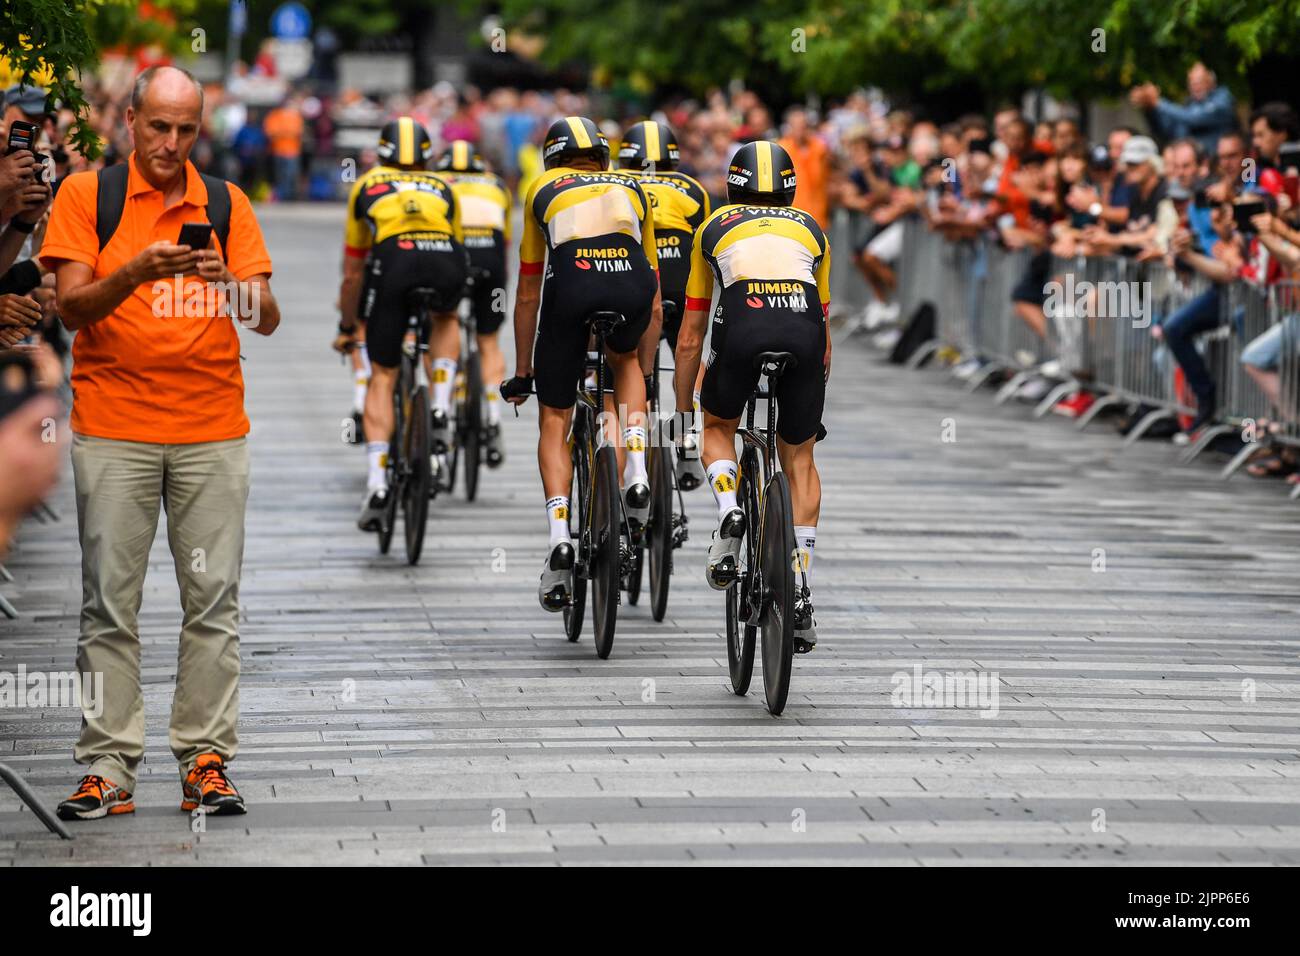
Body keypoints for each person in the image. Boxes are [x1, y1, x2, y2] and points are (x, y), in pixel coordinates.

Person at [39, 65, 279, 820]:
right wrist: (138, 268)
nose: (171, 143)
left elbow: (266, 316)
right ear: (131, 120)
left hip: (211, 431)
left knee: (214, 604)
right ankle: (107, 766)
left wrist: (227, 281)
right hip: (115, 430)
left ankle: (205, 759)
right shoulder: (89, 197)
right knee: (109, 605)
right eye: (157, 127)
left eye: (184, 130)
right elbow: (71, 308)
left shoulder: (226, 203)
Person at [673, 140, 831, 651]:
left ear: (731, 185)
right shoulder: (812, 229)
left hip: (742, 328)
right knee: (800, 457)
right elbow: (824, 338)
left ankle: (728, 513)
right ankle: (800, 586)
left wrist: (682, 414)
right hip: (804, 333)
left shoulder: (711, 229)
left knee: (717, 426)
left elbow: (692, 333)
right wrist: (811, 402)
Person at [499, 116, 661, 610]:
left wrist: (525, 370)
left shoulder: (541, 188)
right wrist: (649, 372)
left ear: (552, 157)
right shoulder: (633, 187)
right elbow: (653, 301)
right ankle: (636, 467)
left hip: (573, 280)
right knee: (625, 359)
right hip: (630, 279)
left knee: (555, 417)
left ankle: (559, 538)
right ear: (603, 157)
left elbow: (528, 290)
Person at [334, 117, 467, 530]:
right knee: (446, 317)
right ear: (426, 155)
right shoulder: (444, 186)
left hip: (393, 262)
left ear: (382, 152)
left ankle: (377, 481)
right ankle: (442, 403)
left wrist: (347, 323)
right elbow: (456, 241)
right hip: (444, 256)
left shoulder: (367, 184)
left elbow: (353, 271)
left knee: (384, 374)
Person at [616, 119, 711, 489]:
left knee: (633, 371)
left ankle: (633, 456)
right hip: (681, 280)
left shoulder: (618, 183)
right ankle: (688, 434)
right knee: (687, 350)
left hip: (639, 279)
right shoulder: (694, 188)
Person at [433, 140, 511, 466]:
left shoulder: (436, 184)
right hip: (492, 263)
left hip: (453, 259)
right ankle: (493, 415)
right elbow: (505, 239)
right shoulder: (496, 185)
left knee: (443, 321)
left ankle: (441, 406)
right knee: (489, 339)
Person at [1130, 62, 1237, 155]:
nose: (1196, 87)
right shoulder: (1189, 105)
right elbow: (1168, 131)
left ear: (1211, 81)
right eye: (1192, 83)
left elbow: (1194, 118)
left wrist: (1158, 103)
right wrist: (1150, 108)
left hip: (1217, 161)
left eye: (1200, 82)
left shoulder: (1222, 98)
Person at [777, 106, 831, 229]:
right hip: (791, 219)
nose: (800, 129)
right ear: (788, 127)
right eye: (796, 125)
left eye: (803, 125)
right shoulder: (781, 149)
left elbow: (827, 177)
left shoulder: (819, 148)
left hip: (818, 217)